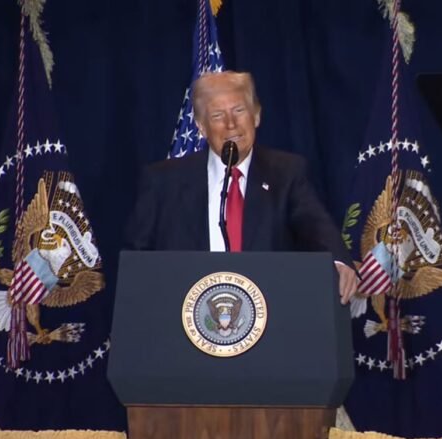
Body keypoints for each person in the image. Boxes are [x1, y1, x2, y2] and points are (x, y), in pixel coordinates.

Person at [124, 70, 357, 304]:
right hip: (183, 319)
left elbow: (315, 225)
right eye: (217, 116)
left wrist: (337, 262)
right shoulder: (163, 181)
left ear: (256, 116)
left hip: (270, 316)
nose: (231, 124)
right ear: (201, 127)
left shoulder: (286, 173)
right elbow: (136, 261)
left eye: (239, 111)